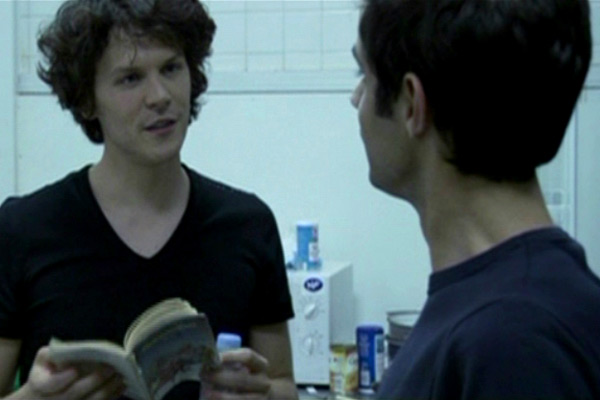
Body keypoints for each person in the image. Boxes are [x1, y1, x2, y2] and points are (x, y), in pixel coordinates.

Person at [0, 0, 298, 399]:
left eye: (171, 68)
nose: (159, 96)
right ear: (88, 99)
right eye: (130, 78)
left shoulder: (247, 225)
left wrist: (262, 394)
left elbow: (283, 383)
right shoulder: (24, 229)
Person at [351, 0, 600, 398]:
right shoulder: (521, 308)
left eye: (363, 75)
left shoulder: (511, 342)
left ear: (412, 103)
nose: (355, 98)